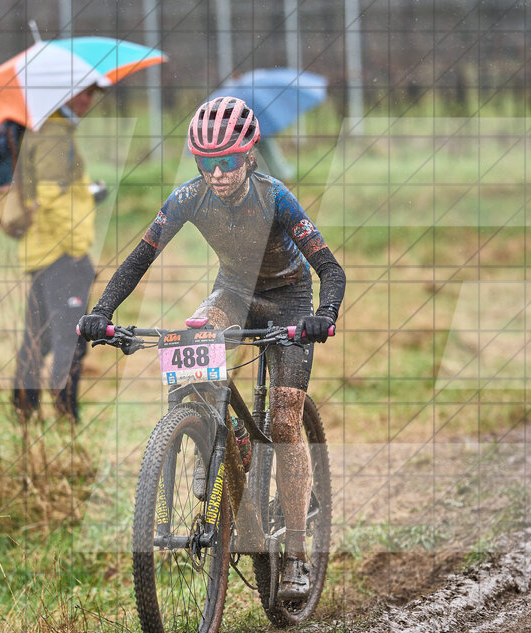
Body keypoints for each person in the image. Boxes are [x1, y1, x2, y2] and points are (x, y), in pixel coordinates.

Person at [78, 96, 346, 601]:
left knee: (285, 421)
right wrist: (103, 312)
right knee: (193, 339)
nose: (217, 174)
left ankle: (295, 551)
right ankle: (218, 437)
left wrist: (323, 317)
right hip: (234, 293)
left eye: (227, 162)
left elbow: (330, 269)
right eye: (206, 163)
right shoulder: (186, 198)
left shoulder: (276, 197)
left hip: (289, 299)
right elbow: (139, 259)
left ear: (248, 157)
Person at [0, 84, 107, 423]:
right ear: (61, 94)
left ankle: (24, 409)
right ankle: (66, 412)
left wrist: (88, 194)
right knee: (73, 335)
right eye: (80, 92)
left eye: (91, 94)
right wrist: (75, 250)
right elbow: (50, 199)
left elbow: (51, 193)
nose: (86, 100)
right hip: (61, 254)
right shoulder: (52, 134)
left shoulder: (47, 130)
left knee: (38, 336)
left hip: (43, 252)